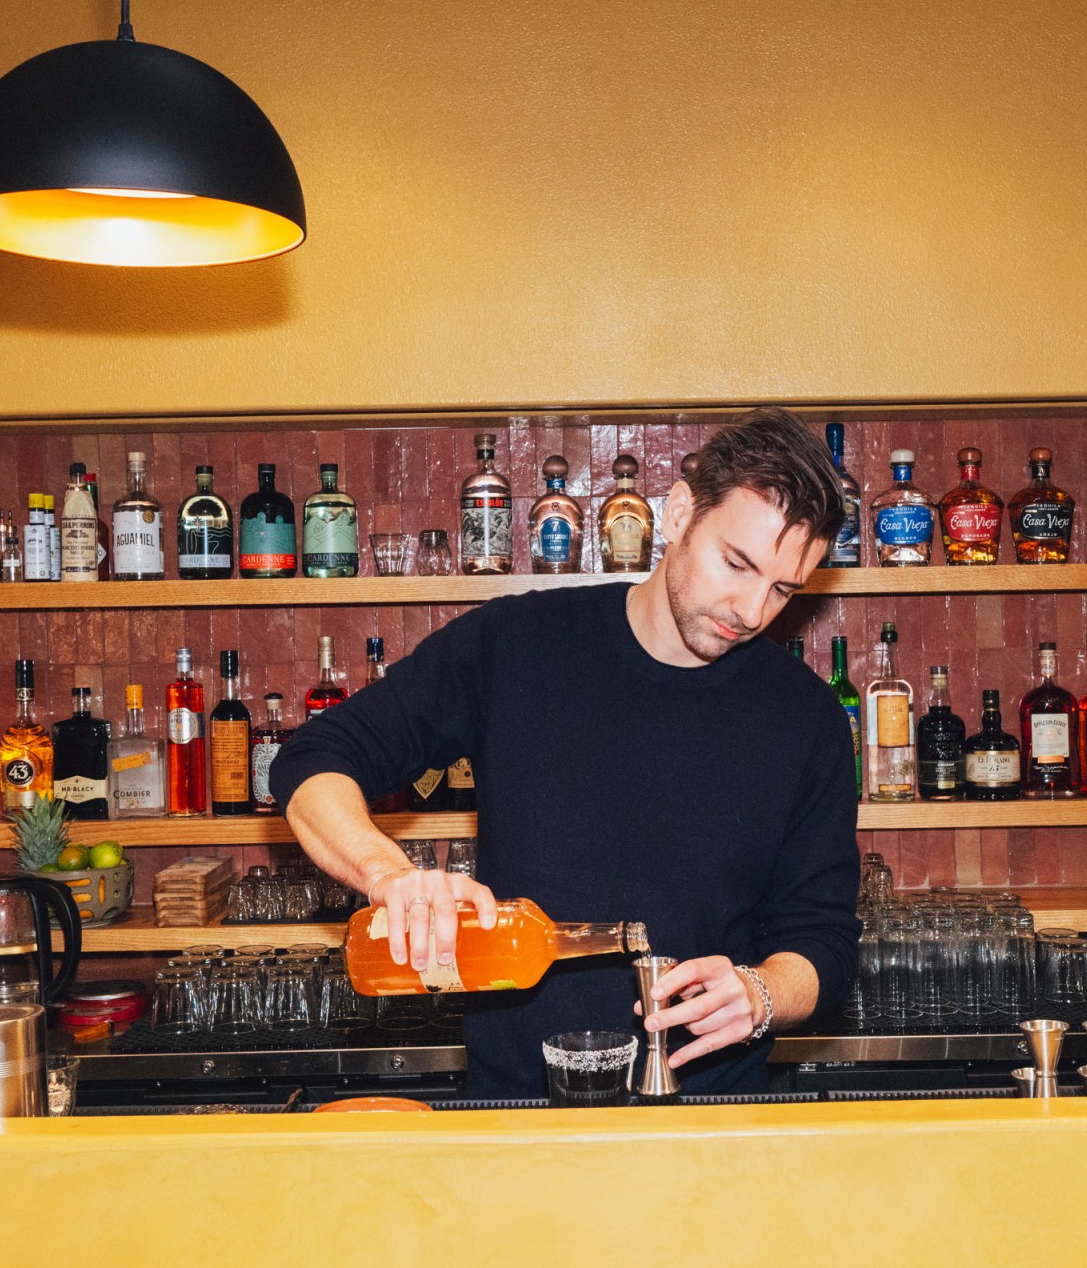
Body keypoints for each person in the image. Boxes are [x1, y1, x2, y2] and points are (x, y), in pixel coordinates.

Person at [272, 408, 861, 1097]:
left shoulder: (806, 719)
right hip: (517, 1112)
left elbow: (823, 945)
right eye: (737, 563)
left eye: (783, 589)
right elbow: (313, 759)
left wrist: (761, 993)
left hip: (710, 1119)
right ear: (678, 515)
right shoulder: (517, 645)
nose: (753, 610)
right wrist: (389, 875)